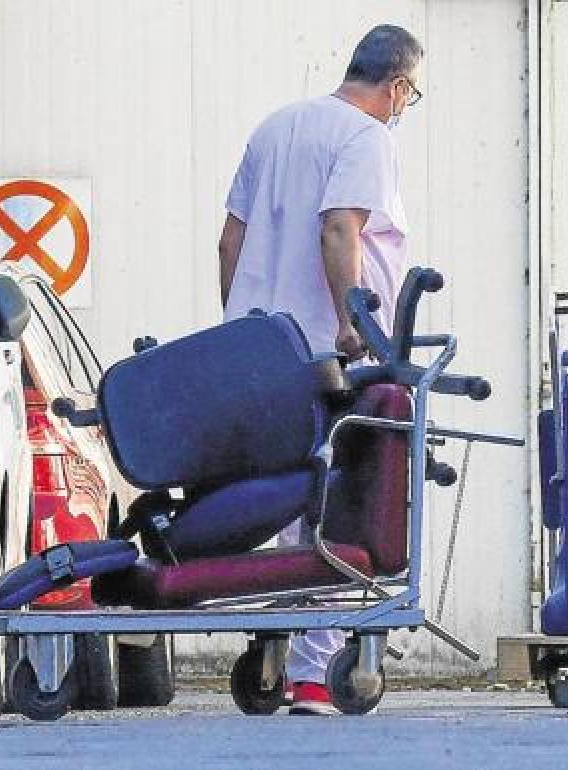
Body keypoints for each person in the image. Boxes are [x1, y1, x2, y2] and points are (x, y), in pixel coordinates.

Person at [217, 24, 423, 715]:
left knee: (279, 501)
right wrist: (347, 320)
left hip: (258, 353)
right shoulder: (368, 138)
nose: (404, 107)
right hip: (328, 353)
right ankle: (314, 671)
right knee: (339, 504)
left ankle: (274, 648)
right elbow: (341, 227)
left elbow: (231, 239)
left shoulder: (275, 126)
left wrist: (241, 333)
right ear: (397, 85)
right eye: (410, 95)